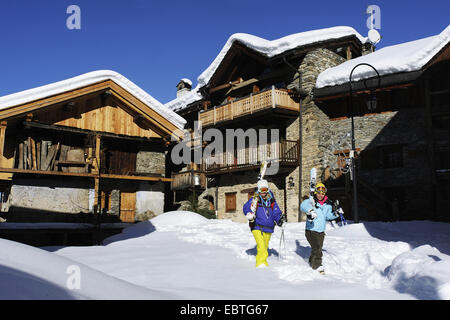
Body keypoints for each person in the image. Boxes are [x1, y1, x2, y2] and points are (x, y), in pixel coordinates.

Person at [243, 179, 284, 268]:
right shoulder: (255, 199)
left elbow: (276, 212)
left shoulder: (272, 201)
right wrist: (249, 214)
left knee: (265, 247)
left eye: (265, 190)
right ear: (258, 190)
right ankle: (260, 264)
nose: (263, 192)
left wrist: (279, 220)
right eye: (261, 190)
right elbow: (246, 207)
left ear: (268, 190)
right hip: (256, 226)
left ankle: (264, 262)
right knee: (261, 246)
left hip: (268, 227)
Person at [300, 182, 339, 274]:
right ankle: (317, 265)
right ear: (315, 193)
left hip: (321, 231)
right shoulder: (310, 201)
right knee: (317, 248)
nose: (320, 195)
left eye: (322, 193)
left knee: (317, 248)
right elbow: (303, 206)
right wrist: (310, 210)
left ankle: (311, 261)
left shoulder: (327, 205)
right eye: (318, 192)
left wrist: (335, 214)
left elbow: (328, 216)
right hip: (311, 230)